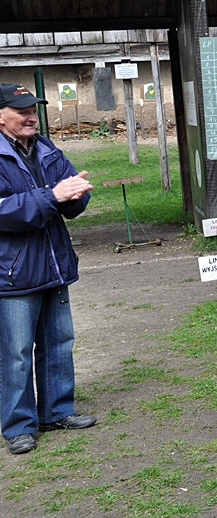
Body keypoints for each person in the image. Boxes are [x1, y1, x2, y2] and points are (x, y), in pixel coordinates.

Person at [0, 83, 95, 455]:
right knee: (17, 352)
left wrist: (77, 194)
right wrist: (52, 196)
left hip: (54, 264)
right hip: (14, 272)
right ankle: (19, 426)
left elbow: (71, 191)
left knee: (58, 342)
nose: (30, 116)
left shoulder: (47, 148)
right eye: (21, 109)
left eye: (33, 108)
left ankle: (56, 410)